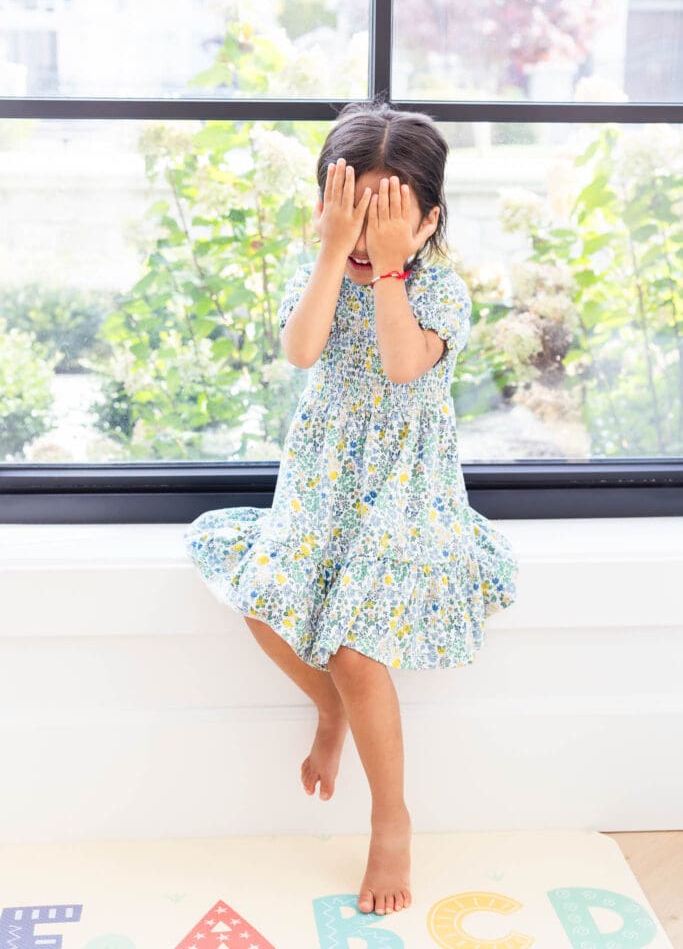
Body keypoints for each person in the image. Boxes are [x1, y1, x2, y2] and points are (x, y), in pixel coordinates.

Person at [183, 98, 519, 918]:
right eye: (353, 211)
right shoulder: (327, 267)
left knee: (356, 651)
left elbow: (403, 366)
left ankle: (391, 818)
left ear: (426, 220)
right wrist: (335, 253)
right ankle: (327, 709)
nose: (369, 231)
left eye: (388, 215)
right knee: (261, 600)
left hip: (404, 494)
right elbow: (301, 350)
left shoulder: (439, 293)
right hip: (322, 482)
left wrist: (393, 271)